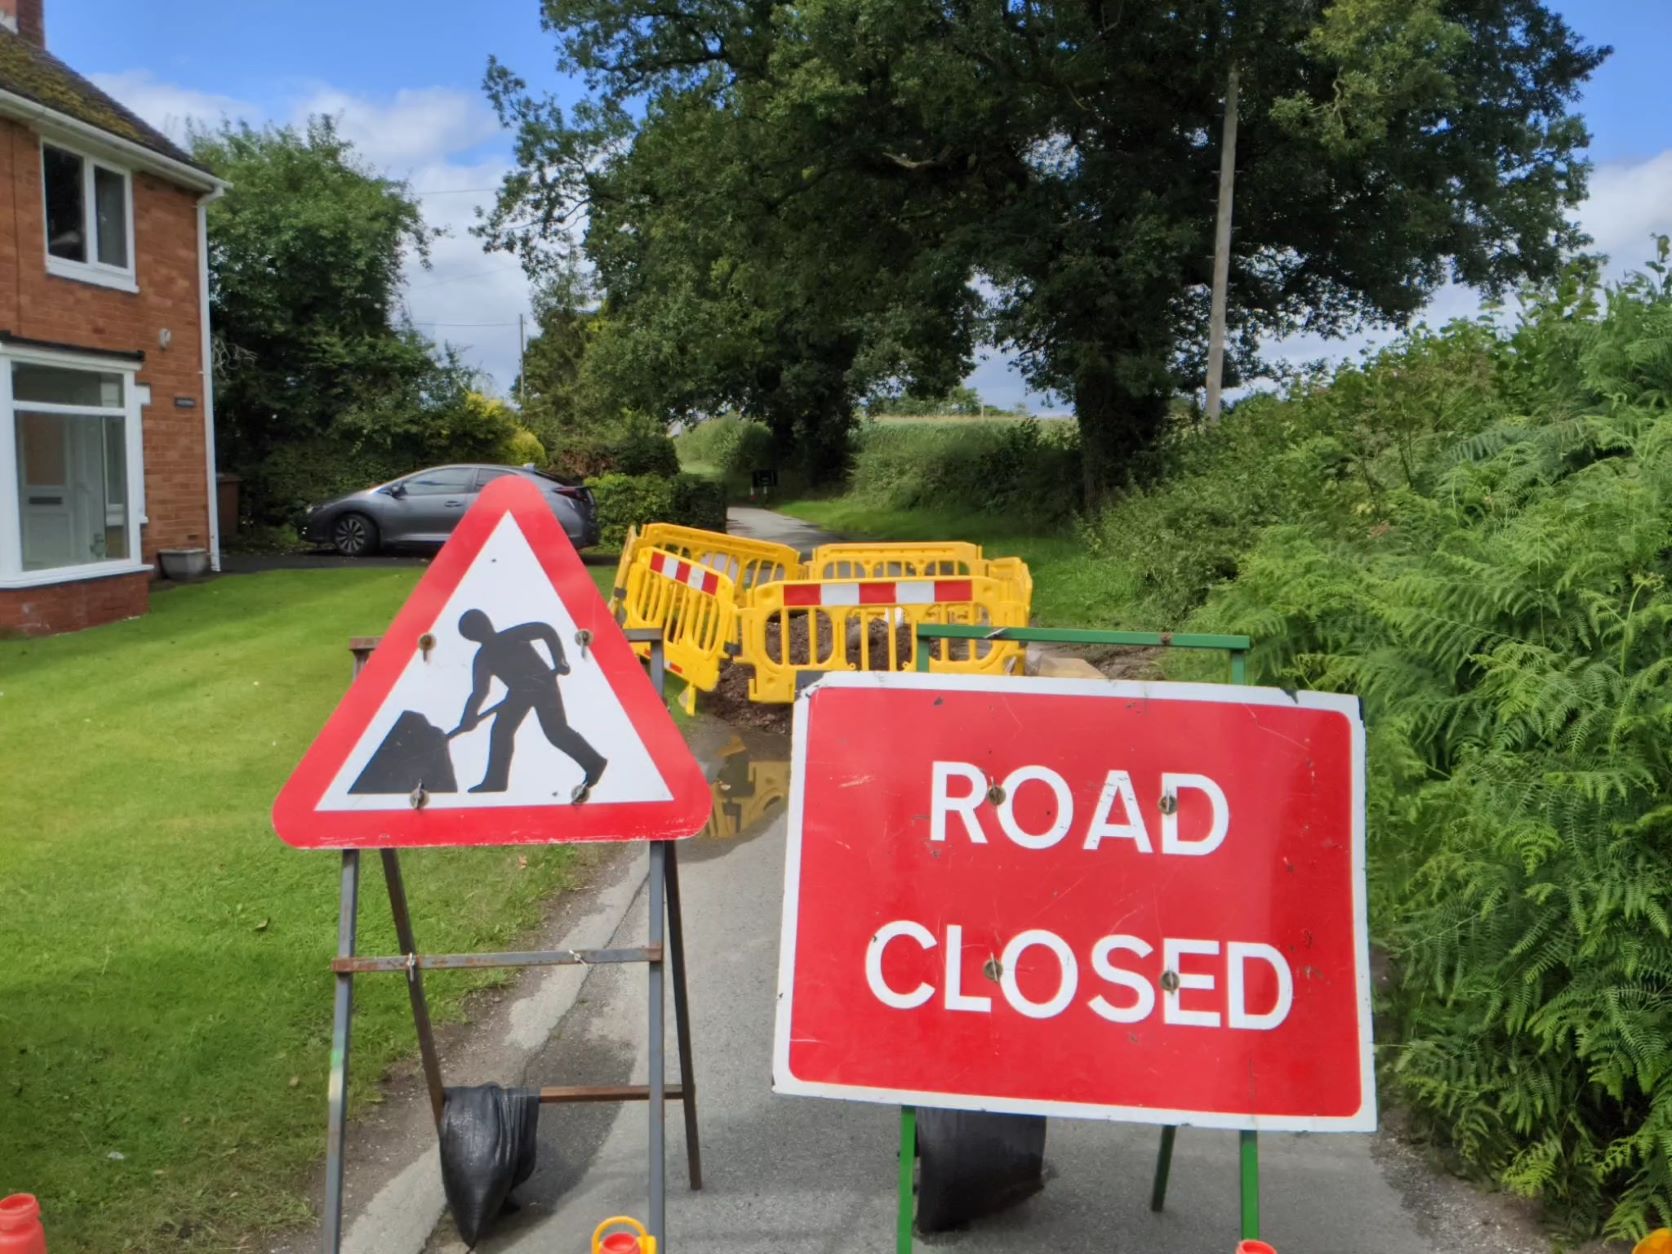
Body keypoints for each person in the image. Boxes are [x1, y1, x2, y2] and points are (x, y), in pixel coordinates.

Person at [453, 609, 608, 797]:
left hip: (543, 683)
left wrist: (560, 660)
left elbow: (546, 631)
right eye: (474, 631)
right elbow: (480, 691)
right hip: (518, 692)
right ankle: (496, 780)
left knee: (555, 731)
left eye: (479, 627)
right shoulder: (483, 656)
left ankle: (594, 762)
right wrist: (468, 717)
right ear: (471, 637)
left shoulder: (512, 636)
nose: (480, 632)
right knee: (501, 730)